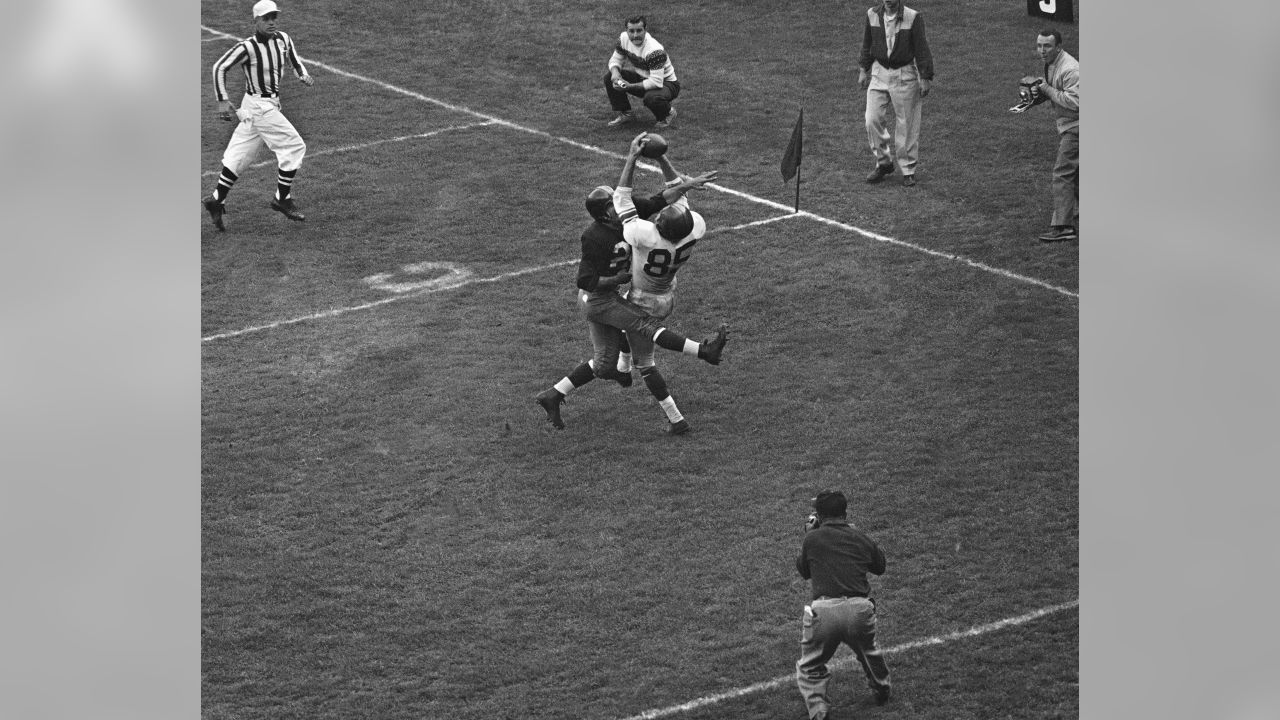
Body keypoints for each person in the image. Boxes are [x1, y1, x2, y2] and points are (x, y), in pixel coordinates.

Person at [535, 135, 723, 433]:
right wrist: (619, 278)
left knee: (604, 365)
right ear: (604, 214)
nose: (618, 205)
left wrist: (674, 181)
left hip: (618, 295)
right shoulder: (594, 237)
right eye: (610, 204)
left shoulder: (633, 223)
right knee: (644, 327)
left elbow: (655, 200)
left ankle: (553, 394)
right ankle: (701, 353)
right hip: (597, 298)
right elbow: (585, 280)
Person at [613, 134, 709, 435]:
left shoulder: (645, 235)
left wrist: (632, 157)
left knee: (647, 362)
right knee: (621, 328)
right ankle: (622, 368)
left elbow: (622, 199)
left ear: (659, 227)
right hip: (667, 294)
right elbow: (678, 195)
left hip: (643, 300)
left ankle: (676, 419)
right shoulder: (694, 229)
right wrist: (661, 157)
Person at [203, 0, 314, 231]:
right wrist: (222, 100)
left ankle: (216, 199)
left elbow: (293, 58)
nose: (272, 22)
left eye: (274, 17)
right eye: (266, 18)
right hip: (259, 107)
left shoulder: (283, 39)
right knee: (294, 146)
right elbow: (219, 67)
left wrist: (302, 74)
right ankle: (282, 198)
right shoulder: (247, 47)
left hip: (263, 105)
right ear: (256, 21)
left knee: (241, 154)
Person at [795, 490, 891, 719]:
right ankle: (882, 690)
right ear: (845, 512)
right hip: (859, 609)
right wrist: (860, 536)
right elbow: (880, 566)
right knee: (869, 653)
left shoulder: (813, 538)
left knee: (810, 667)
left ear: (818, 514)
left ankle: (819, 711)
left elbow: (804, 572)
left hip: (824, 613)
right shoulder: (858, 535)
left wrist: (809, 535)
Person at [857, 0, 934, 187]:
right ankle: (884, 163)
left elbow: (921, 47)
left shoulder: (913, 17)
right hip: (878, 72)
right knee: (871, 119)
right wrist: (862, 69)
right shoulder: (872, 14)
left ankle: (908, 170)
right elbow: (868, 43)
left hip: (904, 73)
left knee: (907, 123)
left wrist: (925, 77)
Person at [1030, 29, 1079, 243]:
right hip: (1072, 125)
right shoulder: (1052, 63)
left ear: (1058, 47)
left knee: (1062, 173)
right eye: (1039, 46)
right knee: (1075, 175)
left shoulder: (1070, 69)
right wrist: (1037, 97)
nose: (1042, 50)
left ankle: (1063, 226)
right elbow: (1055, 92)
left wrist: (1047, 90)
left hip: (1077, 127)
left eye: (1047, 46)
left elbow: (1075, 102)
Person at [604, 15, 681, 129]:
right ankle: (626, 114)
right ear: (626, 30)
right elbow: (616, 60)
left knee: (651, 98)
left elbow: (656, 82)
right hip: (643, 78)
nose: (635, 35)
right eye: (631, 31)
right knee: (609, 76)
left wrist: (629, 87)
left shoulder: (655, 51)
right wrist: (615, 73)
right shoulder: (623, 39)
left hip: (667, 84)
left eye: (639, 30)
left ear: (645, 30)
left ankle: (667, 113)